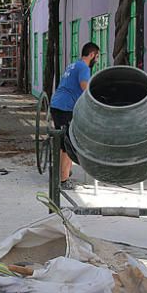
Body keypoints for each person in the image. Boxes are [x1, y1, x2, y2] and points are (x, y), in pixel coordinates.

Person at [49, 42, 100, 190]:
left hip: (56, 104)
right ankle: (63, 180)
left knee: (61, 141)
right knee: (68, 144)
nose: (96, 60)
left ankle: (61, 172)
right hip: (66, 108)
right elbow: (85, 87)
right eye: (96, 57)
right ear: (91, 55)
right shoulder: (84, 67)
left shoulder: (72, 65)